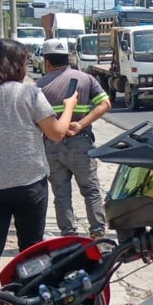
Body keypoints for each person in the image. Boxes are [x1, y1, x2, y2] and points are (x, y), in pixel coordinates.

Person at [0, 38, 77, 292]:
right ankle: (31, 302)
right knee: (31, 248)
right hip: (28, 183)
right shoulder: (28, 93)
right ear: (17, 64)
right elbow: (56, 133)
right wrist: (69, 108)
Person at [35, 39, 111, 238]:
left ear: (47, 62)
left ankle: (68, 235)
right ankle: (97, 232)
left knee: (61, 194)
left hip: (52, 144)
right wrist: (80, 124)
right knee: (91, 190)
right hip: (81, 142)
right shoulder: (86, 79)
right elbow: (105, 104)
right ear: (67, 58)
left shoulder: (40, 86)